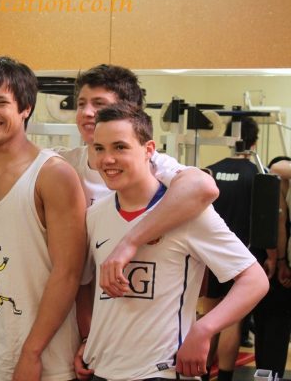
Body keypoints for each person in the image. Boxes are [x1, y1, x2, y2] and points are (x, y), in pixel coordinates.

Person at [0, 64, 219, 297]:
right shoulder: (62, 164)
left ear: (128, 111)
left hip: (139, 298)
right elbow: (12, 156)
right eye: (81, 104)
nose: (87, 112)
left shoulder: (153, 165)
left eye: (99, 104)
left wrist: (131, 242)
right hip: (85, 303)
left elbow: (204, 187)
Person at [74, 102, 269, 381]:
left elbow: (255, 280)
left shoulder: (187, 213)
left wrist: (204, 329)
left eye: (120, 147)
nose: (107, 159)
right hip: (102, 369)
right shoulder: (95, 215)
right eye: (99, 148)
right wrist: (89, 338)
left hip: (162, 371)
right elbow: (86, 284)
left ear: (149, 150)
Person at [0, 56, 87, 380]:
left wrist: (32, 352)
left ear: (25, 108)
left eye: (1, 102)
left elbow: (68, 273)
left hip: (48, 364)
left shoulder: (53, 175)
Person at [201, 117, 275, 381]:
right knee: (232, 321)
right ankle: (224, 378)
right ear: (254, 142)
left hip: (209, 256)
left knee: (208, 319)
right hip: (241, 256)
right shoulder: (258, 175)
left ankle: (200, 375)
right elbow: (267, 219)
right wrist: (273, 257)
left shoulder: (209, 171)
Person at [251, 155, 291, 378]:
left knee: (269, 323)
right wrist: (279, 259)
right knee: (272, 322)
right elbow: (277, 167)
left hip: (270, 259)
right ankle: (269, 374)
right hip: (272, 260)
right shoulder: (277, 183)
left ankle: (267, 373)